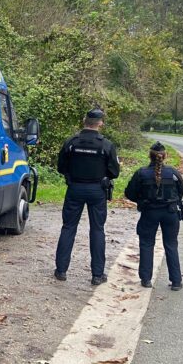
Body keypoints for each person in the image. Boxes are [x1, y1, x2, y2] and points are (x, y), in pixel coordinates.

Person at [54, 108, 120, 285]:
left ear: (84, 121)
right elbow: (114, 171)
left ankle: (61, 270)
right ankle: (97, 275)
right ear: (100, 123)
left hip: (75, 188)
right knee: (97, 230)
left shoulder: (71, 142)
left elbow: (61, 167)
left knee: (68, 227)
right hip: (97, 190)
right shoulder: (106, 145)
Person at [124, 142, 183, 291]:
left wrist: (141, 200)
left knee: (146, 243)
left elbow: (129, 193)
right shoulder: (173, 173)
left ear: (149, 155)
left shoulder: (141, 173)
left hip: (149, 212)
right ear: (165, 156)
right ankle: (176, 281)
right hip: (170, 212)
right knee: (171, 244)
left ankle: (146, 279)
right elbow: (181, 191)